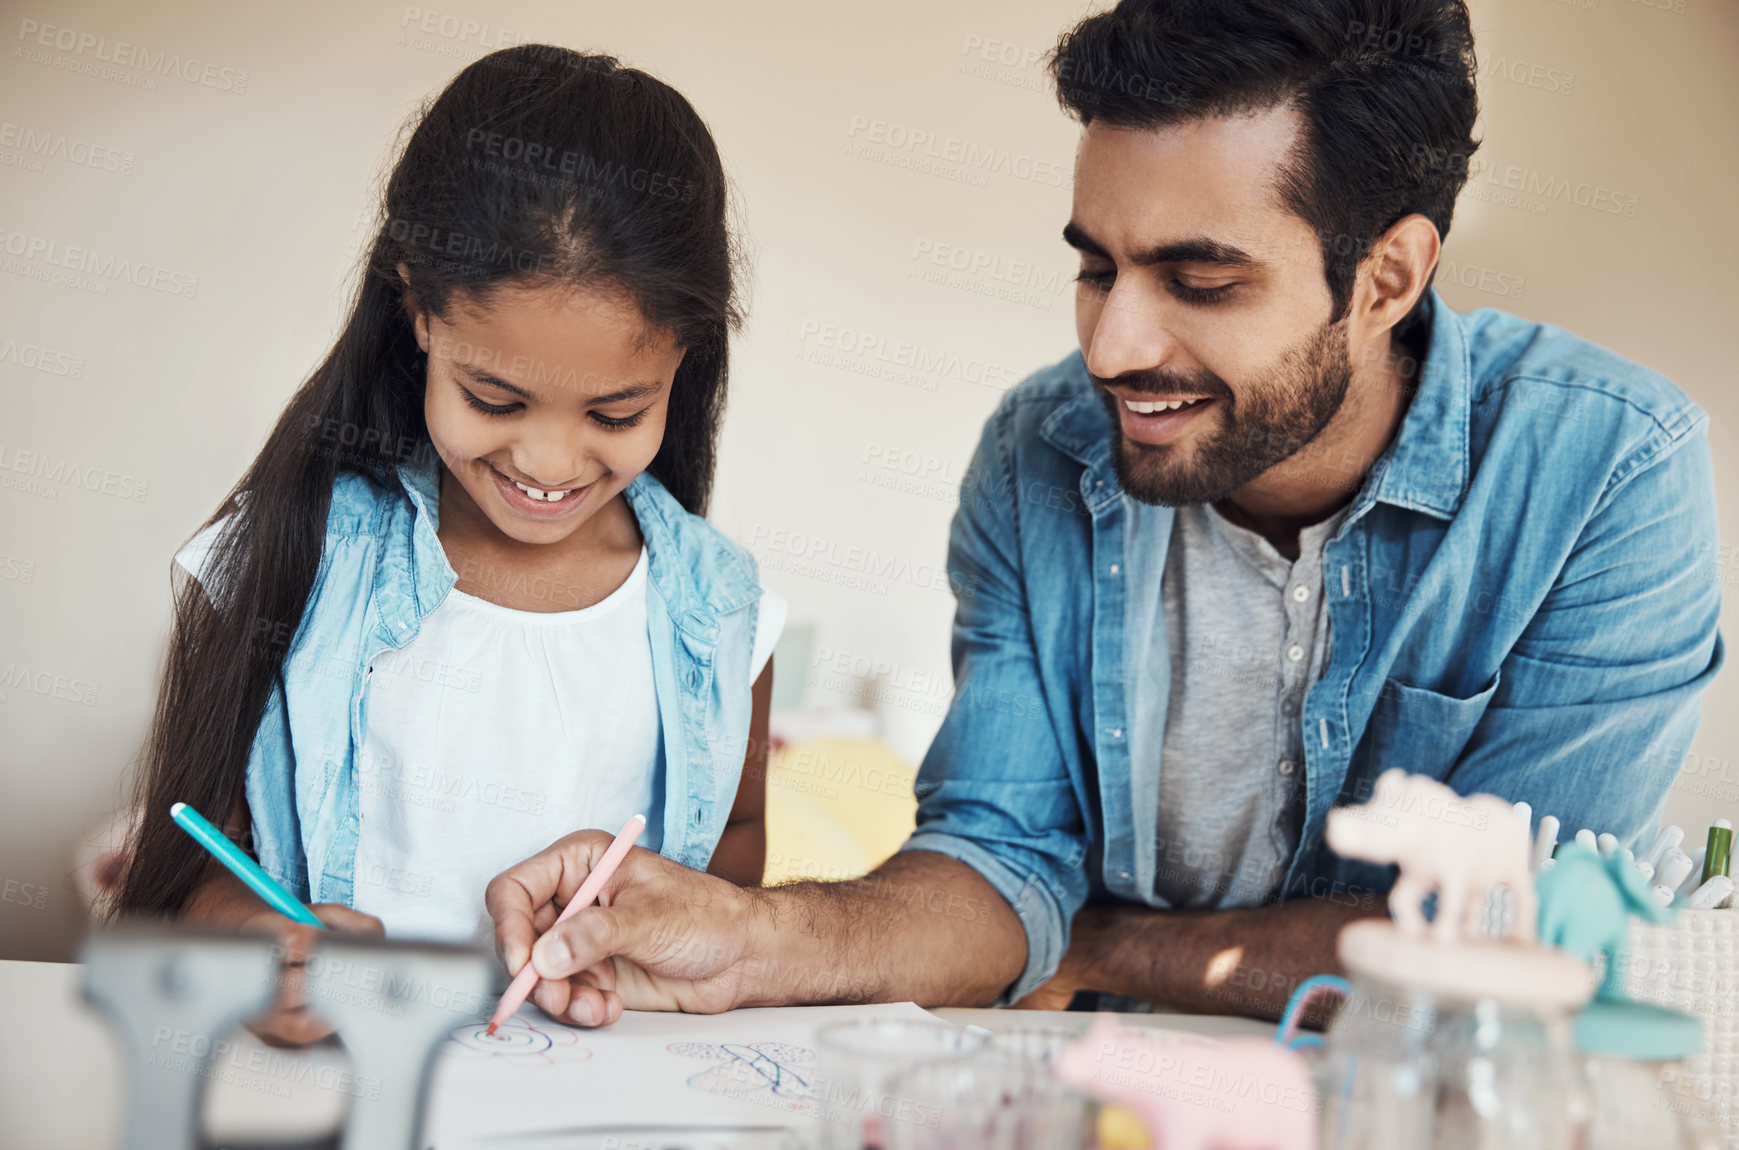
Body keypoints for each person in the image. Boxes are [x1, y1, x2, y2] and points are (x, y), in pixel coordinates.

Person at [484, 0, 1723, 1029]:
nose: (1112, 344)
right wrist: (748, 936)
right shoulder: (1038, 453)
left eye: (1197, 280)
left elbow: (1502, 959)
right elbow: (994, 860)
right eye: (1094, 265)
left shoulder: (1606, 474)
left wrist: (1086, 940)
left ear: (1385, 277)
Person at [112, 45, 782, 1042]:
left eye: (615, 411)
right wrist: (260, 949)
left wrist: (647, 922)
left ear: (685, 357)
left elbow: (731, 846)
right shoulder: (292, 553)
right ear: (416, 307)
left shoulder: (721, 613)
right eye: (494, 398)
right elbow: (193, 866)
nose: (548, 462)